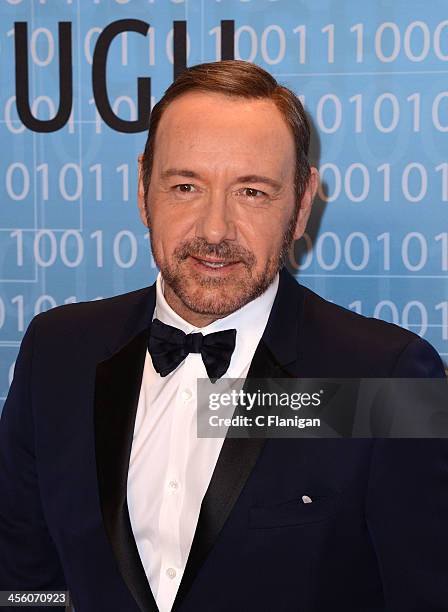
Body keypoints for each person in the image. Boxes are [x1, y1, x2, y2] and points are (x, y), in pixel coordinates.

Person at [0, 60, 447, 612]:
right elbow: (24, 579)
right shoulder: (57, 352)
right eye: (186, 186)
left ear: (302, 204)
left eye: (252, 192)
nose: (215, 230)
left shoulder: (386, 375)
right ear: (143, 190)